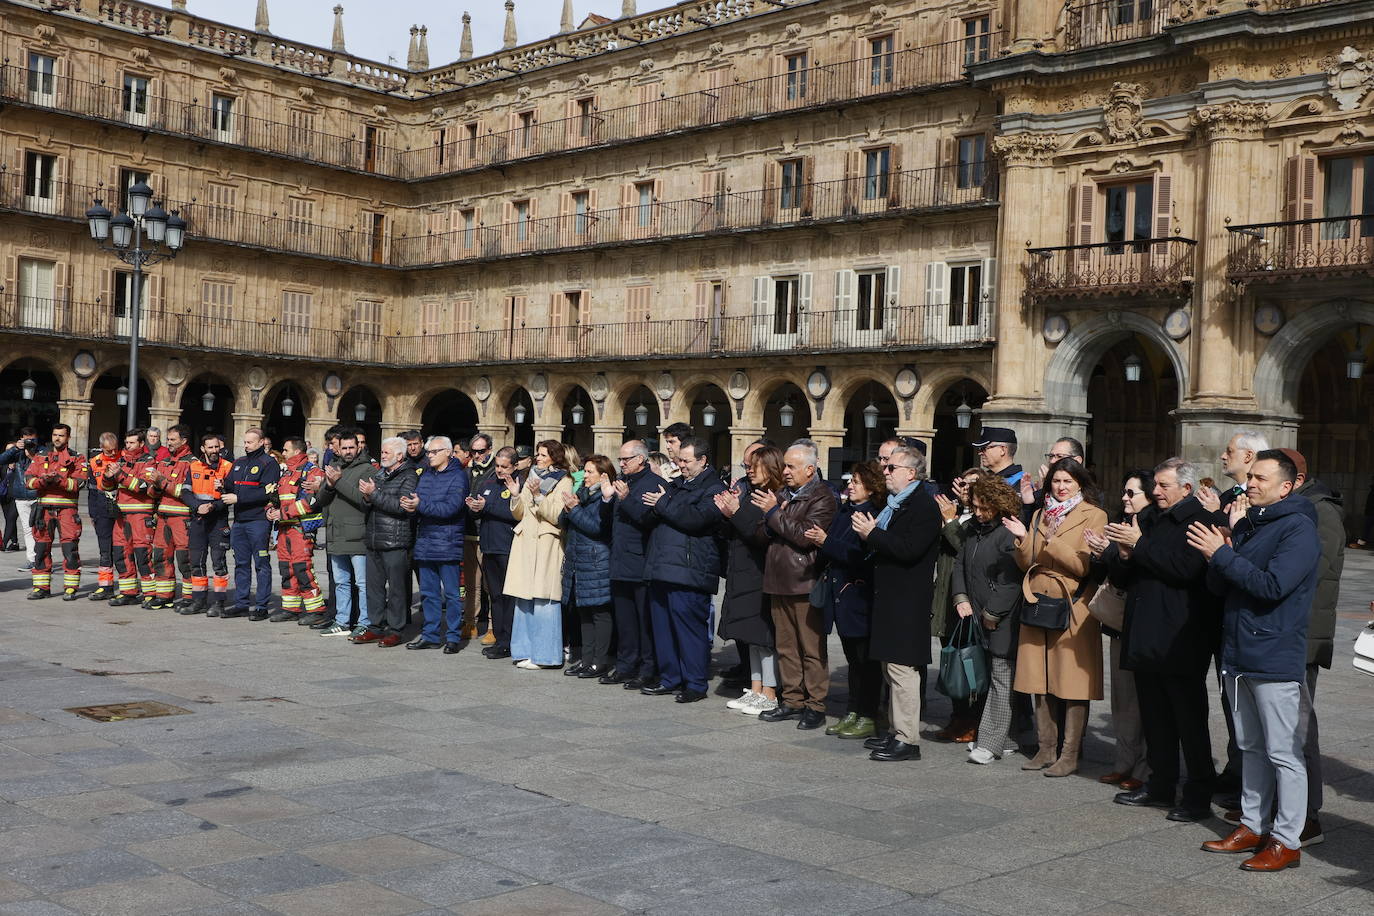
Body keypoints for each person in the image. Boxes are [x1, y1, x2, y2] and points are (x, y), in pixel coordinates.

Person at [1189, 449, 1318, 872]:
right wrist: (1219, 552)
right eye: (1251, 477)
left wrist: (1223, 554)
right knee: (1251, 746)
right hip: (1238, 651)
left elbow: (1272, 585)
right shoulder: (1251, 524)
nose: (1251, 484)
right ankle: (1252, 824)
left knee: (1284, 751)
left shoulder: (1298, 528)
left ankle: (1287, 839)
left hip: (1273, 652)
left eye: (1261, 478)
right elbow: (1222, 585)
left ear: (1287, 486)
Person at [1100, 459, 1216, 822]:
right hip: (1145, 633)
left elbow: (1185, 568)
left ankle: (1198, 795)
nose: (1156, 491)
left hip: (1180, 636)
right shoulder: (1150, 519)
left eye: (1164, 486)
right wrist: (1122, 554)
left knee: (1188, 720)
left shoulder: (1199, 520)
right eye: (1157, 486)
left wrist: (1139, 545)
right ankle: (1160, 784)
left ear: (1186, 488)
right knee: (1155, 717)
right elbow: (1122, 573)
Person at [1004, 458, 1108, 778]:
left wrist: (1051, 538)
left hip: (1073, 605)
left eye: (1067, 482)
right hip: (1038, 600)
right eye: (1056, 482)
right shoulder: (1039, 513)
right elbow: (1027, 562)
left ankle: (1070, 753)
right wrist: (1024, 538)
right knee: (1040, 679)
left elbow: (1084, 566)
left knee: (1072, 682)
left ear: (1080, 483)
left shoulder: (1095, 514)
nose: (1061, 488)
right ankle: (1045, 748)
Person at [852, 445, 942, 762]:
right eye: (886, 467)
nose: (886, 472)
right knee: (891, 669)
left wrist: (872, 533)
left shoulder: (923, 507)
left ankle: (908, 739)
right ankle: (895, 732)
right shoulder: (897, 505)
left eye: (892, 468)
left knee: (903, 671)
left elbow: (908, 549)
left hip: (907, 602)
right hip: (890, 599)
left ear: (911, 473)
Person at [756, 439, 837, 729]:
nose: (786, 471)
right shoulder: (780, 494)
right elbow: (760, 533)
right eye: (786, 465)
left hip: (805, 580)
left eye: (792, 466)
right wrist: (772, 515)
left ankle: (815, 704)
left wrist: (774, 513)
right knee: (786, 646)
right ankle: (791, 699)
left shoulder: (823, 497)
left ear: (810, 469)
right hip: (777, 578)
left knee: (811, 648)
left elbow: (804, 536)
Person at [641, 435, 726, 702]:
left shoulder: (714, 488)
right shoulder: (676, 485)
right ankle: (670, 678)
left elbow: (696, 519)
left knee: (689, 630)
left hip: (689, 570)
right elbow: (651, 513)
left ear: (703, 460)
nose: (681, 465)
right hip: (662, 566)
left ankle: (695, 683)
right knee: (663, 627)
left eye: (686, 461)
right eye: (679, 460)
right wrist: (662, 504)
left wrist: (663, 504)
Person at [1084, 469, 1153, 794]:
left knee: (1143, 702)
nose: (1125, 498)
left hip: (1145, 623)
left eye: (1132, 493)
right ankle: (1124, 762)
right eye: (1125, 492)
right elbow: (1109, 574)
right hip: (1119, 622)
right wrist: (1102, 553)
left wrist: (1114, 552)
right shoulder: (1119, 524)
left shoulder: (1154, 527)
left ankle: (1144, 767)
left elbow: (1145, 568)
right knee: (1122, 699)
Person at [1286, 449, 1342, 845]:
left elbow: (1308, 572)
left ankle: (1309, 815)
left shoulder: (1321, 513)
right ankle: (1285, 806)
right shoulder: (1298, 511)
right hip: (1284, 634)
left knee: (1300, 727)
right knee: (1280, 729)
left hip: (1303, 635)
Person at [809, 459, 885, 739]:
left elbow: (860, 555)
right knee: (854, 660)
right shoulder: (845, 511)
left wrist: (825, 541)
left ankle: (868, 714)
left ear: (871, 486)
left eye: (856, 482)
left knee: (867, 663)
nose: (850, 486)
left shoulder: (871, 513)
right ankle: (853, 710)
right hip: (840, 596)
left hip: (858, 595)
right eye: (850, 481)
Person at [954, 475, 1025, 764]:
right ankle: (1006, 738)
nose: (979, 513)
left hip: (1002, 619)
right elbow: (960, 564)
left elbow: (1011, 581)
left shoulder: (1008, 533)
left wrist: (993, 613)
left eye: (984, 508)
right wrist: (961, 598)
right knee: (989, 680)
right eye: (976, 507)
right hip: (978, 614)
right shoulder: (974, 530)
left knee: (1001, 680)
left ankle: (990, 742)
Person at [715, 443, 783, 716]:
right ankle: (755, 688)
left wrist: (735, 513)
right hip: (742, 570)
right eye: (748, 466)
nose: (750, 470)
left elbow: (761, 535)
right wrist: (726, 514)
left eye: (756, 465)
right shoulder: (751, 493)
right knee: (750, 637)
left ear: (771, 468)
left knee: (763, 637)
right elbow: (736, 530)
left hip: (761, 573)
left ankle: (769, 691)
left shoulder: (772, 497)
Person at [507, 440, 574, 669]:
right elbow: (519, 513)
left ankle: (546, 656)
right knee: (524, 598)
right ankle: (523, 651)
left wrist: (538, 497)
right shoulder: (531, 476)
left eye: (543, 454)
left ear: (555, 457)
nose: (538, 458)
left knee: (545, 600)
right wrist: (516, 495)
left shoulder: (564, 481)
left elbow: (556, 515)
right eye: (537, 454)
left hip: (547, 545)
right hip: (525, 543)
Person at [605, 440, 665, 687]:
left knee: (644, 620)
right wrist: (608, 500)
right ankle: (625, 664)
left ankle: (647, 668)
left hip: (640, 562)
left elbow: (647, 518)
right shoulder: (624, 482)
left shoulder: (654, 483)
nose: (621, 464)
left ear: (640, 459)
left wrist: (627, 498)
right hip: (620, 560)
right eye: (620, 460)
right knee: (625, 620)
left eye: (625, 460)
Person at [406, 436, 469, 653]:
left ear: (447, 452)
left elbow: (450, 508)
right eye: (429, 452)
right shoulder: (426, 475)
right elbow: (422, 502)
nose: (429, 456)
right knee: (428, 594)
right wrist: (411, 506)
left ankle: (452, 636)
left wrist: (421, 505)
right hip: (425, 541)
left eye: (433, 452)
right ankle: (430, 634)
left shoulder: (459, 477)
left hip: (447, 542)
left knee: (451, 594)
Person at [354, 437, 418, 647]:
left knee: (397, 590)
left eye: (387, 453)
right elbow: (368, 506)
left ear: (400, 456)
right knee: (374, 588)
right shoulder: (379, 474)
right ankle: (375, 627)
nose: (382, 456)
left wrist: (373, 495)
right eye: (382, 452)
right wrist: (366, 497)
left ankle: (396, 630)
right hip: (374, 539)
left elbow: (401, 507)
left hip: (395, 540)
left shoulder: (409, 476)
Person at [313, 430, 375, 636]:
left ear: (359, 447)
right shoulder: (334, 467)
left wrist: (338, 481)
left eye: (351, 447)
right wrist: (329, 484)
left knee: (362, 583)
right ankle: (342, 620)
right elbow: (321, 500)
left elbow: (362, 499)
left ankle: (365, 621)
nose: (348, 452)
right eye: (344, 448)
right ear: (338, 448)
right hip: (335, 532)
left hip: (357, 533)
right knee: (340, 581)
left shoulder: (367, 469)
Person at [561, 454, 616, 678]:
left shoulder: (606, 498)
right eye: (584, 470)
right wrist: (568, 509)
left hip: (597, 561)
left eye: (590, 472)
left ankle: (600, 662)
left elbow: (597, 527)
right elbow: (563, 521)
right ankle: (586, 660)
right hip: (578, 560)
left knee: (600, 613)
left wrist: (574, 510)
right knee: (584, 613)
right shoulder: (582, 494)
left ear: (603, 475)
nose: (584, 475)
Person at [221, 427, 282, 620]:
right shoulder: (239, 463)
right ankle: (241, 603)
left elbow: (267, 492)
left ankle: (262, 606)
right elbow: (230, 483)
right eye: (245, 442)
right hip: (239, 521)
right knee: (241, 563)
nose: (246, 445)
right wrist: (222, 485)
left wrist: (238, 498)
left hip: (258, 521)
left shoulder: (269, 463)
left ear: (261, 442)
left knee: (261, 563)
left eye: (250, 442)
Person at [467, 446, 523, 659]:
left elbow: (515, 514)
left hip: (508, 547)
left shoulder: (519, 484)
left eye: (504, 467)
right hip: (489, 545)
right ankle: (499, 639)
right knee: (496, 596)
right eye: (497, 465)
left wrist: (486, 508)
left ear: (515, 466)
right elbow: (479, 510)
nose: (499, 470)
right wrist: (473, 508)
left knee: (509, 597)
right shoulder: (489, 482)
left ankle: (509, 640)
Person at [264, 437, 326, 623]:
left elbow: (310, 503)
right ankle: (291, 608)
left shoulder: (312, 472)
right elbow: (274, 497)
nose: (282, 453)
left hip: (300, 529)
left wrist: (281, 514)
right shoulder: (286, 473)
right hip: (284, 529)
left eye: (285, 450)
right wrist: (269, 510)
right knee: (286, 569)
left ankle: (316, 611)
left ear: (297, 451)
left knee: (302, 569)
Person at [24, 423, 88, 600]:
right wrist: (43, 481)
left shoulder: (77, 458)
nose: (57, 438)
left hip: (67, 510)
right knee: (41, 548)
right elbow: (28, 481)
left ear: (68, 438)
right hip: (43, 510)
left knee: (70, 549)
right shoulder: (41, 456)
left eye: (61, 435)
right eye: (54, 435)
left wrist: (58, 480)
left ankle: (70, 587)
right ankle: (41, 587)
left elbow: (78, 484)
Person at [100, 429, 158, 605]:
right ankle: (128, 592)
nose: (128, 446)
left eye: (132, 443)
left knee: (143, 554)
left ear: (141, 444)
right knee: (121, 554)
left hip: (141, 514)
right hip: (121, 515)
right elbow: (108, 488)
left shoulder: (149, 462)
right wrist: (108, 478)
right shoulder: (121, 461)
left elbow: (142, 486)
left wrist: (119, 475)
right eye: (126, 443)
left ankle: (150, 593)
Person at [182, 434, 232, 616]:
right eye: (210, 447)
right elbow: (185, 492)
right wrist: (198, 506)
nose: (214, 451)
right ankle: (199, 601)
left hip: (218, 520)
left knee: (219, 562)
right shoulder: (193, 466)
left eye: (216, 447)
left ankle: (219, 602)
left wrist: (212, 505)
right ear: (203, 449)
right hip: (198, 519)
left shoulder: (227, 467)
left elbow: (231, 496)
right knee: (197, 562)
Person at [148, 424, 193, 609]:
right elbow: (152, 492)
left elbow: (187, 493)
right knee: (160, 556)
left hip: (182, 518)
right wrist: (156, 485)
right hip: (163, 517)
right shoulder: (164, 462)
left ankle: (191, 597)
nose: (169, 443)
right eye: (168, 440)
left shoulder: (192, 463)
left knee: (185, 558)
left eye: (173, 440)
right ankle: (164, 595)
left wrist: (162, 482)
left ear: (184, 441)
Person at [465, 433, 497, 644]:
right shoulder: (467, 470)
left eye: (481, 451)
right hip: (468, 531)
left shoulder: (496, 470)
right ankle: (470, 622)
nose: (477, 455)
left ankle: (493, 626)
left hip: (488, 531)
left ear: (489, 450)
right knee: (471, 582)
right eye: (473, 451)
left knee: (490, 583)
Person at [86, 432, 121, 602]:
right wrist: (93, 514)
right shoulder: (94, 462)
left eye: (115, 450)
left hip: (121, 507)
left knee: (122, 549)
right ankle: (105, 586)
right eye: (109, 451)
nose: (113, 454)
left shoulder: (124, 459)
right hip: (101, 508)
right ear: (101, 448)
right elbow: (92, 491)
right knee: (105, 550)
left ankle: (127, 587)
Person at [0, 430, 39, 568]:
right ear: (21, 439)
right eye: (26, 440)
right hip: (21, 496)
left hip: (37, 495)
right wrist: (16, 448)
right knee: (27, 529)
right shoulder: (17, 453)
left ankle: (43, 558)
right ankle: (31, 559)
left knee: (41, 530)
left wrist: (33, 456)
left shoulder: (41, 451)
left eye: (32, 440)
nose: (29, 443)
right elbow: (2, 460)